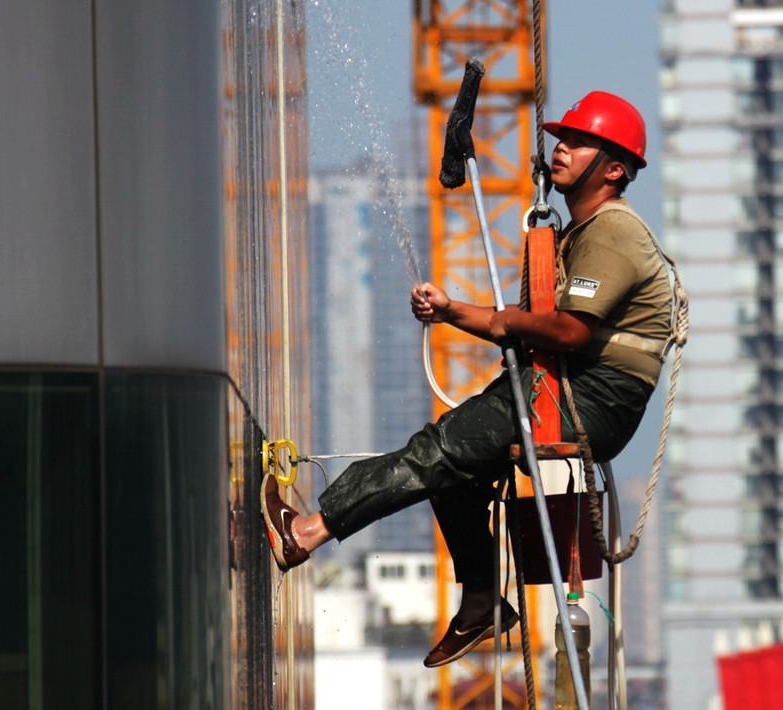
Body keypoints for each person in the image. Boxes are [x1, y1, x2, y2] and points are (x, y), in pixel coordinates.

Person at [261, 91, 673, 667]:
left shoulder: (614, 232)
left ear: (612, 169)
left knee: (440, 449)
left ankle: (306, 533)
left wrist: (504, 320)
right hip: (567, 385)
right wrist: (452, 311)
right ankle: (482, 601)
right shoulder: (582, 233)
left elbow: (571, 332)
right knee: (455, 473)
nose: (560, 149)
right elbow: (534, 328)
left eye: (578, 142)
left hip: (591, 397)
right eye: (562, 138)